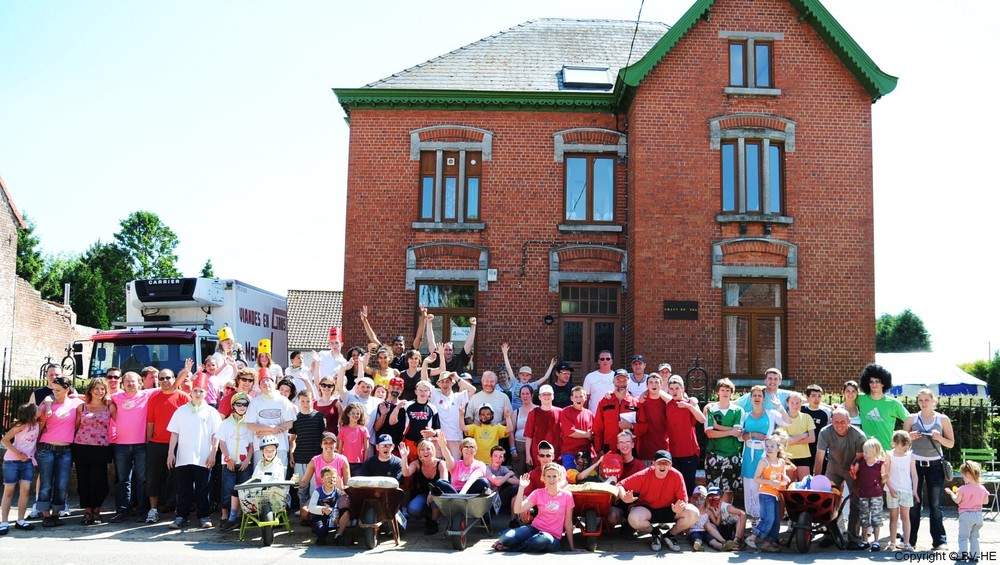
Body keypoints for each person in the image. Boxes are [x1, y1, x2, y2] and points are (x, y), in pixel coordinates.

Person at [165, 378, 221, 529]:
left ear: (206, 393)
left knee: (203, 488)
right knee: (184, 488)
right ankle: (181, 516)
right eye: (195, 390)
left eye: (201, 391)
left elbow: (216, 435)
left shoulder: (211, 412)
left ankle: (204, 516)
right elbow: (174, 433)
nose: (198, 393)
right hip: (184, 457)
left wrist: (213, 453)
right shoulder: (181, 411)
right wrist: (171, 453)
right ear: (190, 392)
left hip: (203, 456)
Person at [903, 387, 954, 550]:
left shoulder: (942, 419)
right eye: (920, 400)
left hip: (935, 465)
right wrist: (909, 438)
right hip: (914, 464)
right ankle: (910, 541)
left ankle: (939, 541)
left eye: (927, 400)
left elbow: (951, 443)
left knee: (936, 504)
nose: (923, 403)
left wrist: (939, 438)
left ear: (934, 401)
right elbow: (900, 443)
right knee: (914, 503)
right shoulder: (911, 418)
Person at [617, 450, 699, 552]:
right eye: (659, 463)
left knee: (694, 513)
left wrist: (680, 507)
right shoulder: (644, 474)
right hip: (648, 510)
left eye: (666, 463)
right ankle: (655, 533)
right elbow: (620, 485)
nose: (662, 466)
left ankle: (670, 535)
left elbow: (683, 500)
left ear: (671, 465)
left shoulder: (677, 475)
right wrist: (624, 497)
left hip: (670, 509)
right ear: (653, 464)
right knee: (633, 518)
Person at [814, 408, 868, 550]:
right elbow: (819, 458)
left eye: (842, 422)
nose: (839, 425)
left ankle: (853, 538)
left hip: (853, 467)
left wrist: (855, 478)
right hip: (834, 466)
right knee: (828, 500)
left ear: (849, 421)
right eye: (836, 422)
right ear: (831, 421)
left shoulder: (858, 436)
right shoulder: (825, 432)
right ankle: (830, 535)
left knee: (855, 501)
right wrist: (816, 481)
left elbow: (860, 461)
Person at [738, 385, 791, 524]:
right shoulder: (745, 415)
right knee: (749, 485)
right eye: (754, 395)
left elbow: (788, 422)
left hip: (765, 453)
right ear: (750, 398)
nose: (757, 398)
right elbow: (739, 436)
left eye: (759, 396)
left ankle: (762, 516)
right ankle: (753, 515)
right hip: (749, 452)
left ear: (763, 398)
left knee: (761, 484)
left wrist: (780, 406)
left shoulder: (771, 413)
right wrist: (752, 434)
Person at [494, 463, 575, 552]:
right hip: (535, 529)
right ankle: (510, 544)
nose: (551, 479)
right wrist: (521, 488)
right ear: (543, 478)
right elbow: (518, 509)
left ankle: (511, 548)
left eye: (554, 476)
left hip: (552, 537)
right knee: (504, 538)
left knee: (543, 539)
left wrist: (572, 547)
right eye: (548, 476)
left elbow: (568, 523)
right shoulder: (538, 493)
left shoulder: (567, 495)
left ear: (559, 477)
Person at [144, 369, 190, 524]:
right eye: (161, 378)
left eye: (168, 378)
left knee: (179, 478)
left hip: (179, 444)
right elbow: (150, 422)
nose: (165, 380)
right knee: (153, 478)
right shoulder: (154, 398)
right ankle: (153, 510)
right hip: (156, 444)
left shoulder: (184, 397)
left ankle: (180, 511)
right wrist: (148, 442)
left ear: (174, 378)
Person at [36, 376, 83, 527]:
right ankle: (45, 515)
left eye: (58, 390)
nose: (55, 393)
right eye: (53, 390)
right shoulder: (47, 406)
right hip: (46, 448)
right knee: (46, 483)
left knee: (62, 484)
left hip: (65, 450)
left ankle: (56, 514)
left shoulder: (76, 403)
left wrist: (76, 395)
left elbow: (94, 398)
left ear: (67, 389)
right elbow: (40, 425)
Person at [72, 377, 113, 525]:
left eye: (102, 389)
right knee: (84, 481)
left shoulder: (110, 407)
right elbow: (76, 426)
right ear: (90, 390)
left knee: (99, 481)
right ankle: (87, 511)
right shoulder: (82, 407)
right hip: (81, 447)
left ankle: (97, 511)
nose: (99, 391)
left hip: (101, 448)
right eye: (96, 388)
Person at [744, 431, 794, 552]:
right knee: (768, 519)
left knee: (776, 520)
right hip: (766, 494)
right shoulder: (763, 462)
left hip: (776, 494)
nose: (769, 449)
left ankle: (768, 543)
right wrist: (770, 482)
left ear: (778, 448)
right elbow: (756, 478)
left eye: (772, 446)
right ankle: (753, 537)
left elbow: (782, 476)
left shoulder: (781, 462)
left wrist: (785, 478)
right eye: (766, 446)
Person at [663, 375, 706, 495]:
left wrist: (689, 406)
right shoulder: (668, 405)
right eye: (671, 388)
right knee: (675, 486)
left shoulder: (690, 403)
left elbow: (702, 420)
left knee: (688, 486)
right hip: (673, 452)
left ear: (683, 389)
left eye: (677, 388)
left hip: (689, 452)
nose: (674, 391)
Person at [1, 403, 40, 534]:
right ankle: (4, 522)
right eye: (37, 409)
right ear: (31, 413)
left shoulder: (37, 424)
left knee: (25, 491)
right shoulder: (20, 425)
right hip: (12, 461)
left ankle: (20, 520)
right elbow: (5, 440)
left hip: (28, 462)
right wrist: (19, 454)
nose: (40, 410)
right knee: (9, 491)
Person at [216, 392, 253, 530]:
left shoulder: (249, 424)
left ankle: (239, 516)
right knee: (227, 489)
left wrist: (248, 460)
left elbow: (251, 445)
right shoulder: (226, 423)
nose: (242, 407)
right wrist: (228, 459)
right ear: (233, 405)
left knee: (243, 489)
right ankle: (225, 516)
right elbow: (222, 443)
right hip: (229, 463)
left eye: (245, 404)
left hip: (244, 463)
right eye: (239, 404)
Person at [703, 378, 743, 503]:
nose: (725, 393)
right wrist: (730, 432)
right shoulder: (711, 410)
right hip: (714, 453)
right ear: (717, 392)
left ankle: (726, 517)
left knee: (729, 489)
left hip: (732, 453)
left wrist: (719, 428)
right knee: (712, 489)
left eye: (728, 390)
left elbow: (738, 432)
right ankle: (714, 516)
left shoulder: (738, 411)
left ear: (732, 393)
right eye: (722, 390)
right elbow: (710, 433)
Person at [290, 388, 327, 523]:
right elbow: (292, 439)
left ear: (313, 401)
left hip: (315, 460)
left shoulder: (319, 417)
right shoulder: (296, 418)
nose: (306, 403)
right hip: (299, 458)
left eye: (308, 401)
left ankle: (313, 513)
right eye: (303, 401)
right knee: (300, 487)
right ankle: (303, 511)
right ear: (299, 402)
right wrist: (291, 455)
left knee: (314, 488)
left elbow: (324, 437)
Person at [244, 373, 296, 466]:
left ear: (274, 383)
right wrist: (271, 428)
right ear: (259, 386)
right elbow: (250, 425)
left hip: (281, 446)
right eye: (262, 381)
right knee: (260, 478)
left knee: (279, 477)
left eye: (268, 380)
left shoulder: (283, 400)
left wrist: (269, 432)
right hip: (260, 447)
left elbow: (289, 423)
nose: (265, 383)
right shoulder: (255, 402)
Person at [399, 437, 449, 535]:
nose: (425, 451)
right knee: (412, 509)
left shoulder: (441, 463)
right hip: (423, 494)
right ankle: (428, 515)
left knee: (435, 501)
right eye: (422, 449)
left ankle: (434, 523)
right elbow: (406, 473)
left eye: (428, 449)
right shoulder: (417, 463)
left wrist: (432, 493)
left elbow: (444, 482)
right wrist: (404, 457)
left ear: (433, 450)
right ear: (419, 452)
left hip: (439, 494)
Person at [429, 361, 476, 461]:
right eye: (442, 381)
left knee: (454, 467)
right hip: (437, 438)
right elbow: (424, 382)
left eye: (447, 381)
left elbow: (472, 390)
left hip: (455, 438)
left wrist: (457, 377)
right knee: (438, 466)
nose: (445, 384)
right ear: (439, 383)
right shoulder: (435, 395)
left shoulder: (458, 396)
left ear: (452, 383)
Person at [856, 363, 908, 450]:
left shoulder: (893, 404)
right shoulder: (860, 399)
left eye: (877, 381)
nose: (874, 384)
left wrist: (901, 435)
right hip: (866, 451)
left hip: (886, 450)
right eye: (871, 381)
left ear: (883, 383)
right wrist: (835, 406)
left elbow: (909, 420)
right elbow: (846, 404)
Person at [947, 461, 990, 562]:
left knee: (963, 537)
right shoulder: (982, 488)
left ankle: (962, 554)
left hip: (966, 515)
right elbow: (986, 501)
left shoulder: (963, 489)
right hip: (978, 516)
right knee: (975, 537)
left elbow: (957, 501)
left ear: (968, 475)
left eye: (963, 476)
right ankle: (974, 555)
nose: (963, 478)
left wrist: (951, 493)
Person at [885, 430, 918, 552]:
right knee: (893, 517)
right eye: (901, 445)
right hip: (892, 489)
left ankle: (907, 542)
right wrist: (890, 488)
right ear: (894, 443)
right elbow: (886, 474)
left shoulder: (910, 455)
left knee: (905, 516)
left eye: (906, 445)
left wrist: (914, 490)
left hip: (906, 490)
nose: (904, 448)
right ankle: (892, 542)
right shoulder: (889, 455)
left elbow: (914, 474)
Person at [592, 370, 639, 457]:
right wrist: (598, 450)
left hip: (630, 450)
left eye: (624, 380)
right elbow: (597, 428)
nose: (621, 383)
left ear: (628, 382)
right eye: (618, 380)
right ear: (613, 381)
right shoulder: (604, 402)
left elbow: (644, 427)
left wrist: (631, 426)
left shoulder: (636, 403)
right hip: (609, 449)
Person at [501, 343, 554, 411]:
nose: (524, 376)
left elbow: (545, 377)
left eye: (527, 375)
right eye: (523, 374)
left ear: (530, 377)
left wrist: (551, 365)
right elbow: (509, 368)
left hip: (526, 411)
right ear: (519, 375)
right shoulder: (515, 382)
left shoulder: (531, 385)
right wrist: (505, 354)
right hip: (513, 411)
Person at [856, 438, 887, 551]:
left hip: (876, 494)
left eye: (866, 452)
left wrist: (884, 478)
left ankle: (876, 541)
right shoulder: (861, 464)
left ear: (874, 452)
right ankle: (865, 540)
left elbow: (884, 478)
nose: (864, 454)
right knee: (864, 518)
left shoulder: (880, 464)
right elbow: (854, 474)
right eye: (864, 451)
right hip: (863, 493)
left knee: (876, 518)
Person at [309, 467, 350, 545]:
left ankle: (338, 535)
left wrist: (342, 488)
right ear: (322, 479)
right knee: (321, 530)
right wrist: (323, 509)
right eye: (328, 477)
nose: (331, 480)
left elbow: (347, 497)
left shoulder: (338, 491)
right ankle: (321, 536)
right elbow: (311, 507)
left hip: (333, 517)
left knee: (346, 512)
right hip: (320, 516)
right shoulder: (317, 491)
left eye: (333, 477)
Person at [779, 391, 816, 480]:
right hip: (788, 456)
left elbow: (812, 438)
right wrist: (803, 435)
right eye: (792, 402)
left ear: (801, 403)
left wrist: (793, 439)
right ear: (787, 403)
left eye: (797, 403)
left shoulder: (807, 417)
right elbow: (785, 441)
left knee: (805, 485)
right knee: (789, 485)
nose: (795, 405)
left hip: (803, 456)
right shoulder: (783, 419)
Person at [523, 385, 562, 468]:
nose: (546, 397)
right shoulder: (533, 413)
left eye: (549, 394)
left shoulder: (560, 412)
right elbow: (528, 436)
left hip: (555, 455)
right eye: (544, 394)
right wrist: (528, 455)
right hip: (537, 456)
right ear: (539, 397)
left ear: (553, 396)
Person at [635, 374, 671, 463]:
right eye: (651, 382)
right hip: (644, 447)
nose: (654, 385)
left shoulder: (667, 402)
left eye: (656, 382)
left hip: (662, 446)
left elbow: (676, 402)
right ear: (647, 385)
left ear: (661, 384)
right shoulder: (640, 401)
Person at [558, 386, 594, 471]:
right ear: (571, 398)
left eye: (581, 396)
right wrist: (587, 434)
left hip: (585, 453)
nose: (579, 399)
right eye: (576, 397)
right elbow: (570, 432)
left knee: (585, 481)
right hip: (570, 453)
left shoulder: (589, 414)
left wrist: (591, 434)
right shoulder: (566, 411)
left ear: (585, 397)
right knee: (571, 479)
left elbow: (593, 432)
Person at [688, 485, 728, 551]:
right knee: (697, 539)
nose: (698, 501)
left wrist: (719, 515)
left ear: (705, 499)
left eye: (701, 499)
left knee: (712, 540)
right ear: (693, 499)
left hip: (706, 531)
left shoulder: (708, 511)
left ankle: (721, 546)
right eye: (696, 499)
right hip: (694, 531)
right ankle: (697, 545)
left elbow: (716, 523)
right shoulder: (692, 510)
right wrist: (687, 532)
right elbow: (688, 523)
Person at [705, 486, 744, 551]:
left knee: (739, 518)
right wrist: (719, 515)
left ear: (721, 497)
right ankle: (724, 542)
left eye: (716, 497)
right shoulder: (710, 508)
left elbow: (741, 514)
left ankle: (736, 541)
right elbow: (717, 524)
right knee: (707, 524)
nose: (713, 499)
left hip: (732, 529)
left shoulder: (727, 507)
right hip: (720, 530)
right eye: (711, 497)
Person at [801, 384, 832, 463]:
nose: (817, 399)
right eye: (813, 396)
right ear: (807, 397)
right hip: (803, 446)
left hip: (820, 447)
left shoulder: (826, 412)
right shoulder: (801, 409)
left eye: (819, 396)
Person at [338, 402, 371, 476]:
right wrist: (338, 461)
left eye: (358, 413)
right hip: (345, 462)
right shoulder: (343, 430)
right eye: (353, 413)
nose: (355, 415)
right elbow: (340, 448)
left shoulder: (363, 429)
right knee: (346, 485)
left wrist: (365, 462)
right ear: (348, 414)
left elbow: (367, 448)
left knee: (357, 486)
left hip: (359, 463)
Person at [484, 445, 520, 512]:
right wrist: (507, 475)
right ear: (491, 457)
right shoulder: (486, 469)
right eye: (495, 456)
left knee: (515, 487)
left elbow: (518, 481)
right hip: (487, 499)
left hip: (498, 497)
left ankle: (513, 517)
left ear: (503, 459)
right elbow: (498, 483)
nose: (498, 459)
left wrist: (503, 478)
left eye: (500, 456)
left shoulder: (503, 469)